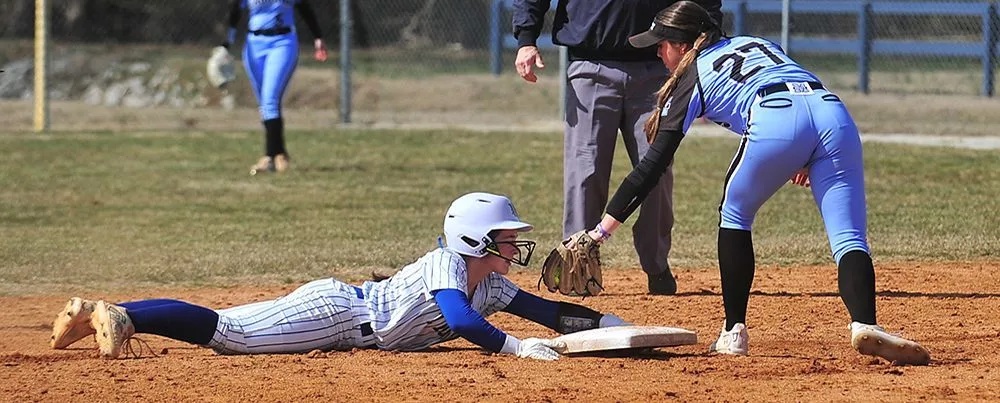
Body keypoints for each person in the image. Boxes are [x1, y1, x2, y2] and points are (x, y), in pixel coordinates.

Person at [578, 0, 930, 364]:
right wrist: (804, 150)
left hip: (777, 117)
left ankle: (733, 333)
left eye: (661, 43)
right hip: (832, 113)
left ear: (682, 45)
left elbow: (653, 165)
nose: (657, 52)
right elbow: (796, 87)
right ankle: (864, 324)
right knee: (849, 237)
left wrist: (600, 232)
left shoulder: (693, 73)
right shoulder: (757, 42)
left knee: (735, 214)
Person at [50, 192, 627, 360]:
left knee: (230, 328)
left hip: (348, 318)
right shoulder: (447, 266)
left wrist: (609, 324)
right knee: (232, 335)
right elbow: (457, 317)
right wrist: (515, 348)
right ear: (476, 239)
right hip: (339, 314)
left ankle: (104, 310)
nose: (515, 243)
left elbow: (550, 314)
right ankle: (124, 315)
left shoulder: (492, 283)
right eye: (505, 236)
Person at [511, 0, 722, 295]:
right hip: (590, 69)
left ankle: (657, 266)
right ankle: (577, 264)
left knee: (657, 174)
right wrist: (526, 40)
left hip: (659, 77)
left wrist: (697, 55)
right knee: (585, 173)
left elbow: (707, 2)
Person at [222, 0, 329, 175]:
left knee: (270, 98)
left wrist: (318, 37)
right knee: (266, 104)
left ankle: (268, 158)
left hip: (282, 41)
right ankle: (280, 152)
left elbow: (305, 8)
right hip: (254, 44)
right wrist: (225, 44)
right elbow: (232, 14)